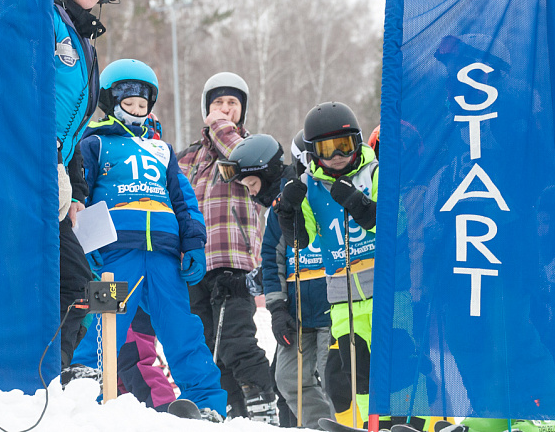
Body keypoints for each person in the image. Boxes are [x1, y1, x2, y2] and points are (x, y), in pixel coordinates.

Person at [73, 59, 226, 421]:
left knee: (182, 327)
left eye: (143, 105)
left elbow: (184, 202)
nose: (137, 111)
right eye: (129, 103)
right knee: (103, 322)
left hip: (163, 255)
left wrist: (193, 244)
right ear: (110, 102)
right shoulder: (95, 143)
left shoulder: (162, 151)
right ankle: (83, 389)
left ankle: (205, 401)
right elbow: (81, 193)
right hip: (114, 253)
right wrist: (85, 245)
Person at [276, 102, 413, 429]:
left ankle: (408, 420)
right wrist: (288, 212)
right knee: (359, 370)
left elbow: (398, 224)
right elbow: (302, 240)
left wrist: (360, 204)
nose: (338, 155)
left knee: (399, 361)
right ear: (313, 152)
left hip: (389, 292)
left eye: (345, 145)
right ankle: (375, 423)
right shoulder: (310, 186)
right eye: (328, 149)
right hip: (344, 299)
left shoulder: (376, 172)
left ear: (358, 142)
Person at [177, 72, 276, 424]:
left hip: (232, 262)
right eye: (217, 102)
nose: (224, 109)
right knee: (208, 346)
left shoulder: (249, 147)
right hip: (195, 266)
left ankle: (264, 406)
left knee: (236, 341)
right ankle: (232, 412)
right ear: (205, 107)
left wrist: (219, 126)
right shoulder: (188, 157)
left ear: (242, 110)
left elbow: (241, 156)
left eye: (232, 103)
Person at [229, 132, 333, 429]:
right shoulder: (276, 209)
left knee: (333, 376)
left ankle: (343, 421)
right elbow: (272, 262)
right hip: (298, 311)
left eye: (252, 184)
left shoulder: (312, 192)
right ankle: (319, 425)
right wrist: (277, 310)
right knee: (287, 378)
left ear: (266, 172)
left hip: (330, 305)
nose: (251, 194)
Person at [52, 0, 118, 370]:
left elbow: (73, 132)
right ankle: (37, 376)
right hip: (23, 167)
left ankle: (46, 375)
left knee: (78, 285)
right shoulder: (42, 15)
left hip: (52, 177)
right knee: (72, 283)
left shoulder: (83, 39)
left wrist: (76, 192)